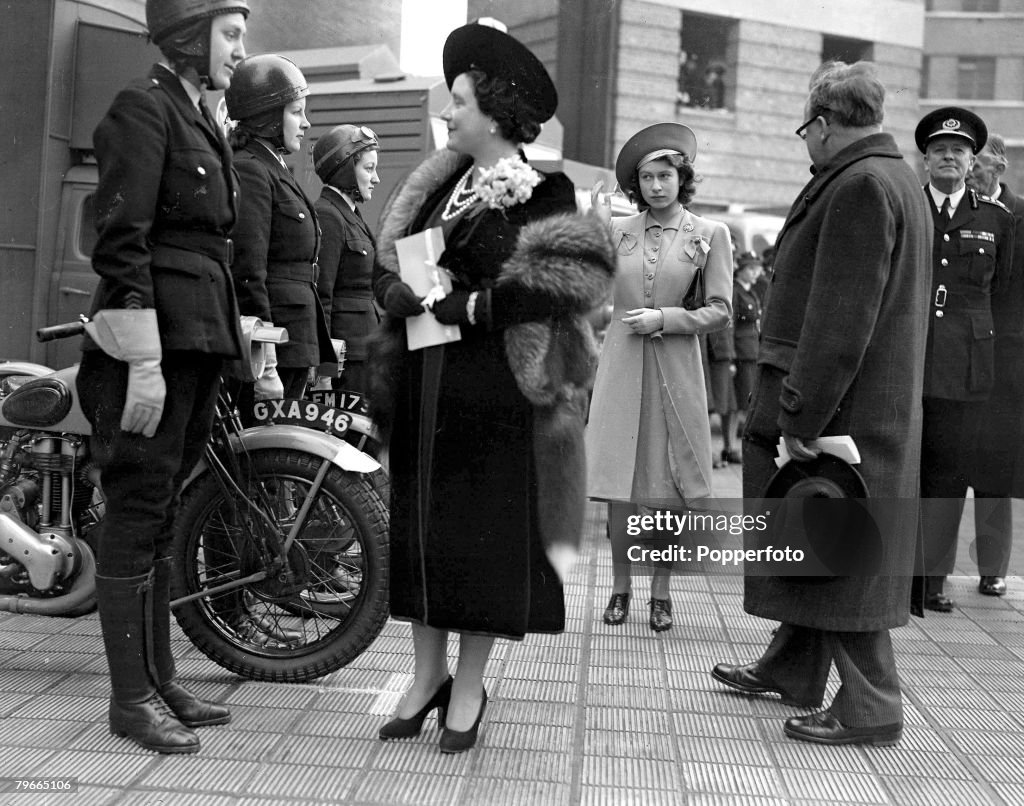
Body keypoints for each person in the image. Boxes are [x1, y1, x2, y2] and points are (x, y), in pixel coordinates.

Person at [368, 22, 614, 754]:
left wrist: (470, 305)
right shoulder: (436, 185)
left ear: (498, 111)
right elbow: (391, 261)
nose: (449, 112)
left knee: (479, 540)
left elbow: (568, 284)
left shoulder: (549, 191)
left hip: (495, 395)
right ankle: (424, 677)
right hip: (424, 383)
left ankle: (468, 685)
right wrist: (396, 293)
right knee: (421, 531)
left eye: (462, 100)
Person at [711, 61, 931, 746]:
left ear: (828, 124)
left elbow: (841, 320)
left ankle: (873, 704)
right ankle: (793, 668)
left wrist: (802, 420)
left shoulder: (861, 186)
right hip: (869, 408)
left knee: (840, 554)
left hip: (841, 414)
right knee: (815, 546)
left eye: (807, 128)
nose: (806, 142)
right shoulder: (895, 178)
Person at [74, 0, 250, 754]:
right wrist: (142, 360)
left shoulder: (198, 115)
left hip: (198, 338)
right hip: (156, 348)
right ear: (189, 35)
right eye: (231, 34)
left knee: (162, 513)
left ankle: (160, 679)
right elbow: (123, 242)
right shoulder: (140, 111)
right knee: (137, 509)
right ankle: (129, 699)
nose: (241, 50)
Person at [586, 123, 733, 632]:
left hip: (675, 366)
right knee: (621, 484)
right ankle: (620, 589)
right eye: (646, 177)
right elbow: (591, 295)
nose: (655, 186)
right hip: (622, 365)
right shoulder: (616, 229)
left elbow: (720, 310)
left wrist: (666, 319)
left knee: (667, 484)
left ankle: (662, 593)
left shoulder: (710, 234)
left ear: (682, 178)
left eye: (665, 175)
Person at [914, 109, 1015, 612]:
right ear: (925, 158)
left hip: (965, 369)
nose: (948, 157)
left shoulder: (995, 220)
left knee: (948, 476)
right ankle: (899, 573)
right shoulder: (909, 208)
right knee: (904, 469)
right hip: (908, 361)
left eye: (958, 151)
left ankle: (932, 578)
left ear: (973, 159)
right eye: (939, 150)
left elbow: (1000, 293)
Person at [225, 53, 335, 411]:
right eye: (296, 112)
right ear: (269, 118)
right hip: (276, 343)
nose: (305, 123)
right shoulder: (252, 170)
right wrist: (265, 359)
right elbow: (248, 271)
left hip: (294, 336)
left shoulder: (273, 167)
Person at [963, 133, 1024, 597]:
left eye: (979, 163)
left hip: (1006, 363)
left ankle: (992, 568)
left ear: (999, 165)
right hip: (959, 356)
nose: (971, 172)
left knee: (995, 469)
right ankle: (934, 570)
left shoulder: (1020, 215)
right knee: (946, 463)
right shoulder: (956, 210)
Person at [313, 124, 382, 395]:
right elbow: (323, 297)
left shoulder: (347, 214)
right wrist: (326, 370)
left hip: (362, 351)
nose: (376, 178)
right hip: (346, 359)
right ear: (344, 170)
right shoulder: (329, 215)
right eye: (368, 168)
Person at [732, 251, 764, 425]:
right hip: (741, 351)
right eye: (751, 269)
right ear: (741, 270)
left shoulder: (750, 292)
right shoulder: (735, 291)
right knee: (743, 396)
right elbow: (731, 326)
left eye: (757, 269)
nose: (755, 273)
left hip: (752, 350)